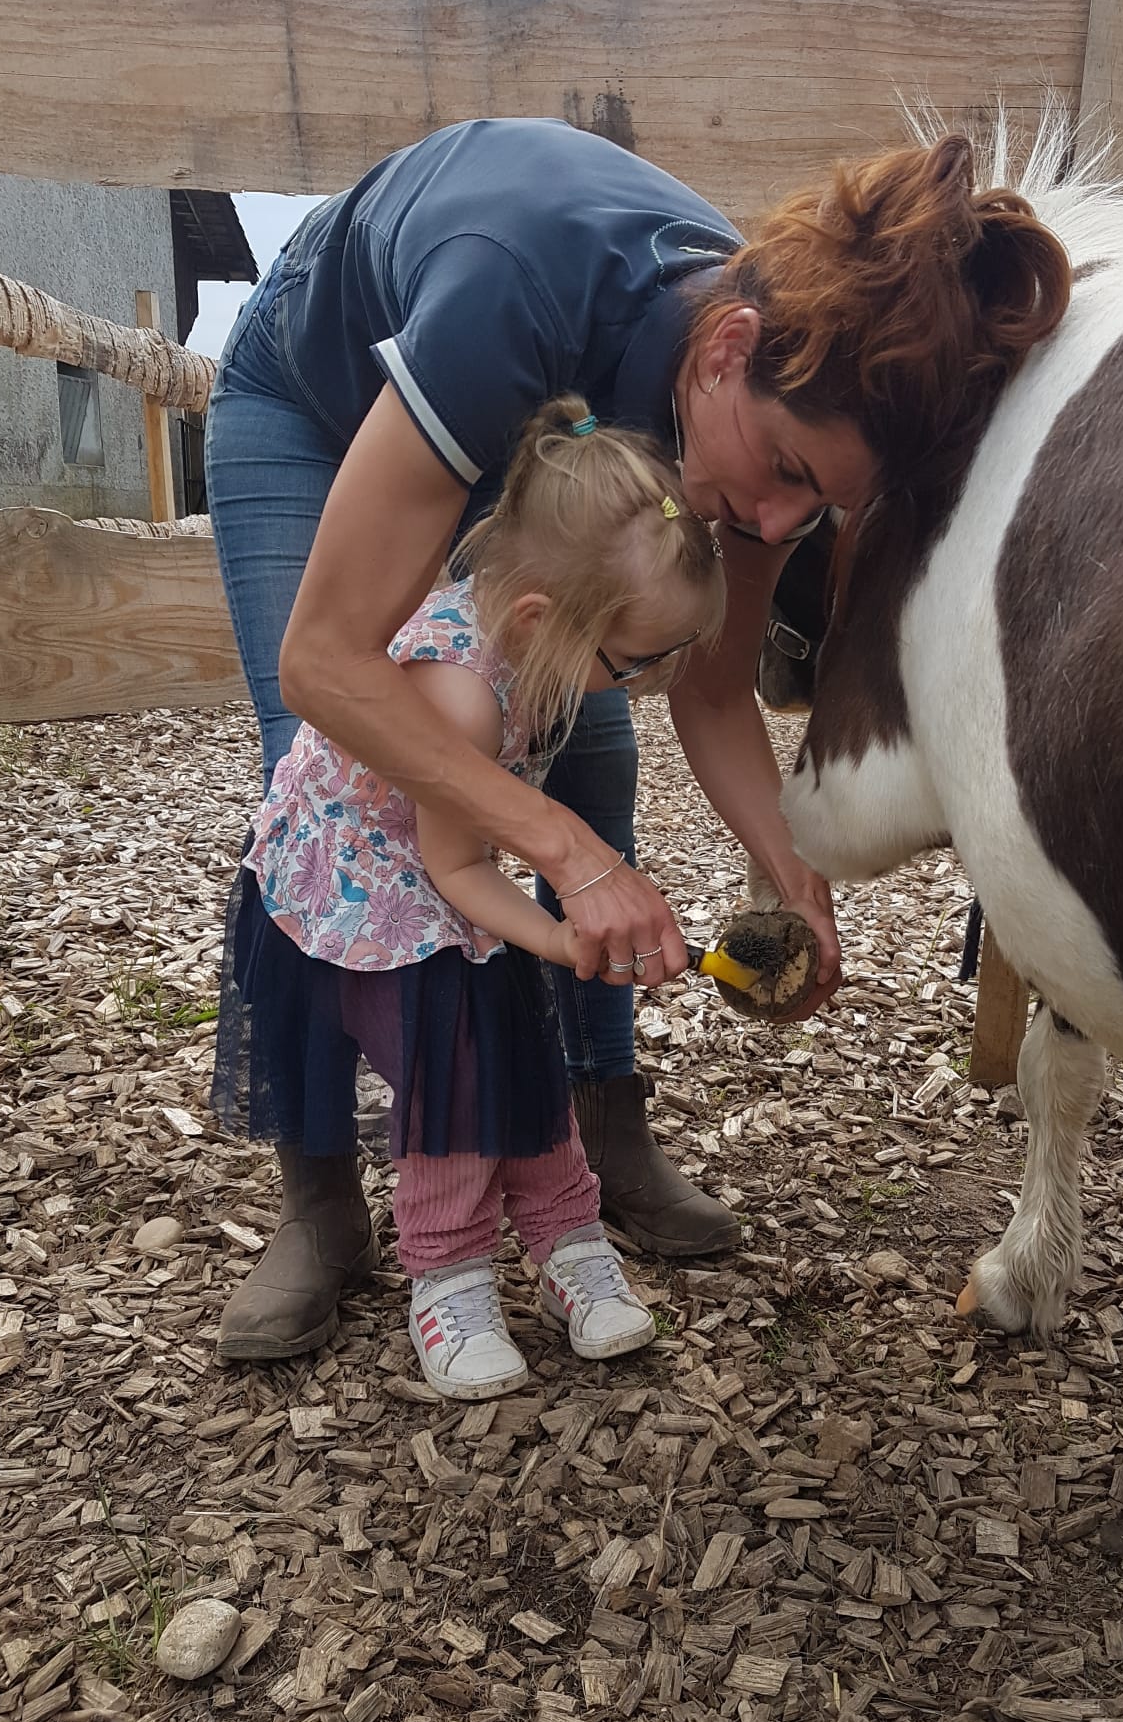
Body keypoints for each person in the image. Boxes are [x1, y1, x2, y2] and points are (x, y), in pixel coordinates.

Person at [205, 115, 1072, 1362]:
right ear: (726, 350)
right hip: (318, 392)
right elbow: (328, 665)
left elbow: (710, 695)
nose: (772, 520)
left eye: (817, 502)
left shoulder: (758, 452)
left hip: (540, 449)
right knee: (343, 780)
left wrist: (793, 876)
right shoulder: (511, 300)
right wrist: (567, 854)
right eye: (782, 469)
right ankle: (322, 1202)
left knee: (592, 751)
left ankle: (600, 1129)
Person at [212, 397, 727, 1396]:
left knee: (522, 1062)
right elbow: (454, 870)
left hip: (443, 890)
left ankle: (569, 1239)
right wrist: (558, 939)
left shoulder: (526, 647)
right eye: (635, 661)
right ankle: (445, 1275)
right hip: (365, 904)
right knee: (455, 1083)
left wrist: (552, 936)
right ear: (539, 618)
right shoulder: (463, 694)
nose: (648, 681)